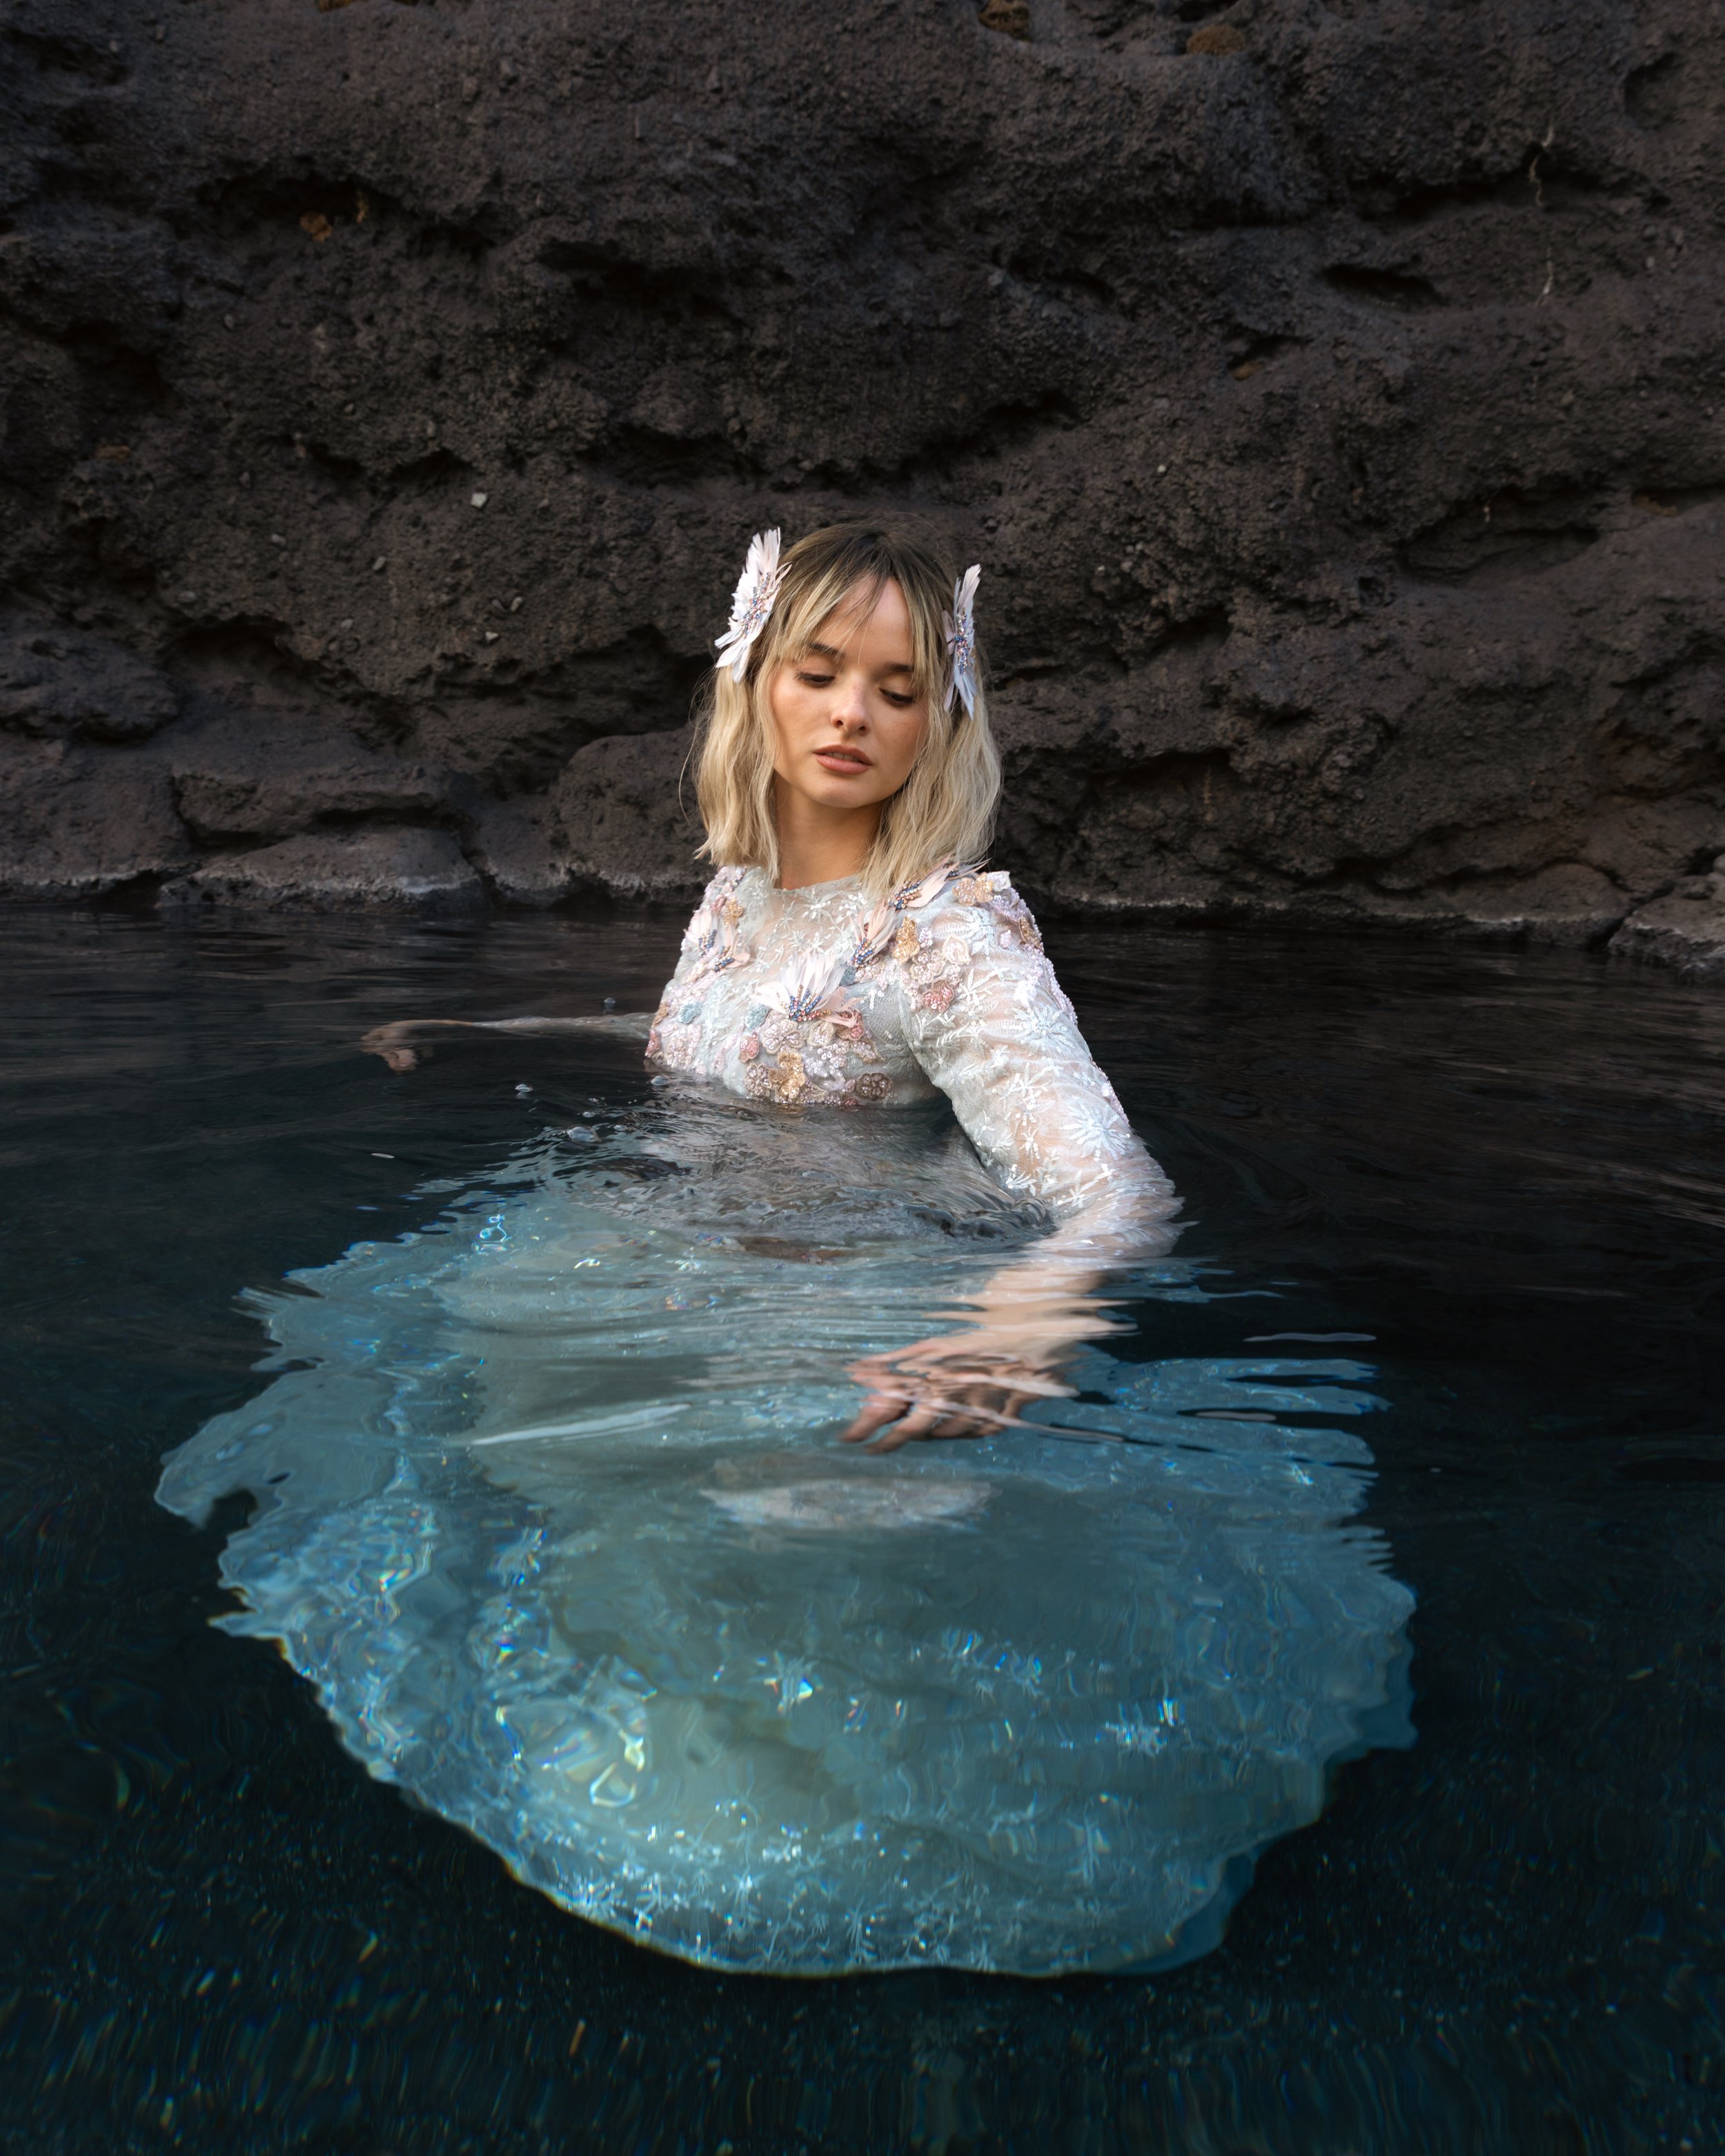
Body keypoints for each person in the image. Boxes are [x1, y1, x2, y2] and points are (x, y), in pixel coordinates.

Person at [362, 522, 1178, 1447]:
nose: (851, 713)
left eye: (897, 689)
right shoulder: (738, 896)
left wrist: (1020, 1330)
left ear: (937, 720)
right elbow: (740, 1035)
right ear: (755, 683)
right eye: (819, 673)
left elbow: (1119, 1195)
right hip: (676, 1279)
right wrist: (493, 1030)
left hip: (843, 1351)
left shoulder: (948, 935)